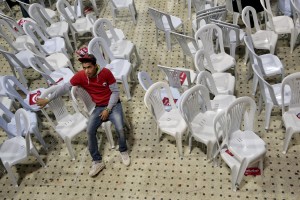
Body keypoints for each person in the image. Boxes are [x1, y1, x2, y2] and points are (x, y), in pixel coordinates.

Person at [36, 54, 131, 177]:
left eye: (89, 67)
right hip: (99, 107)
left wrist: (108, 109)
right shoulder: (81, 76)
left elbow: (115, 92)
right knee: (90, 131)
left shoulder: (106, 73)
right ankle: (97, 161)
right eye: (84, 67)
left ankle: (123, 150)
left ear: (96, 66)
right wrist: (48, 100)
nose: (86, 71)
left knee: (120, 128)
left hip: (113, 105)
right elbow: (65, 87)